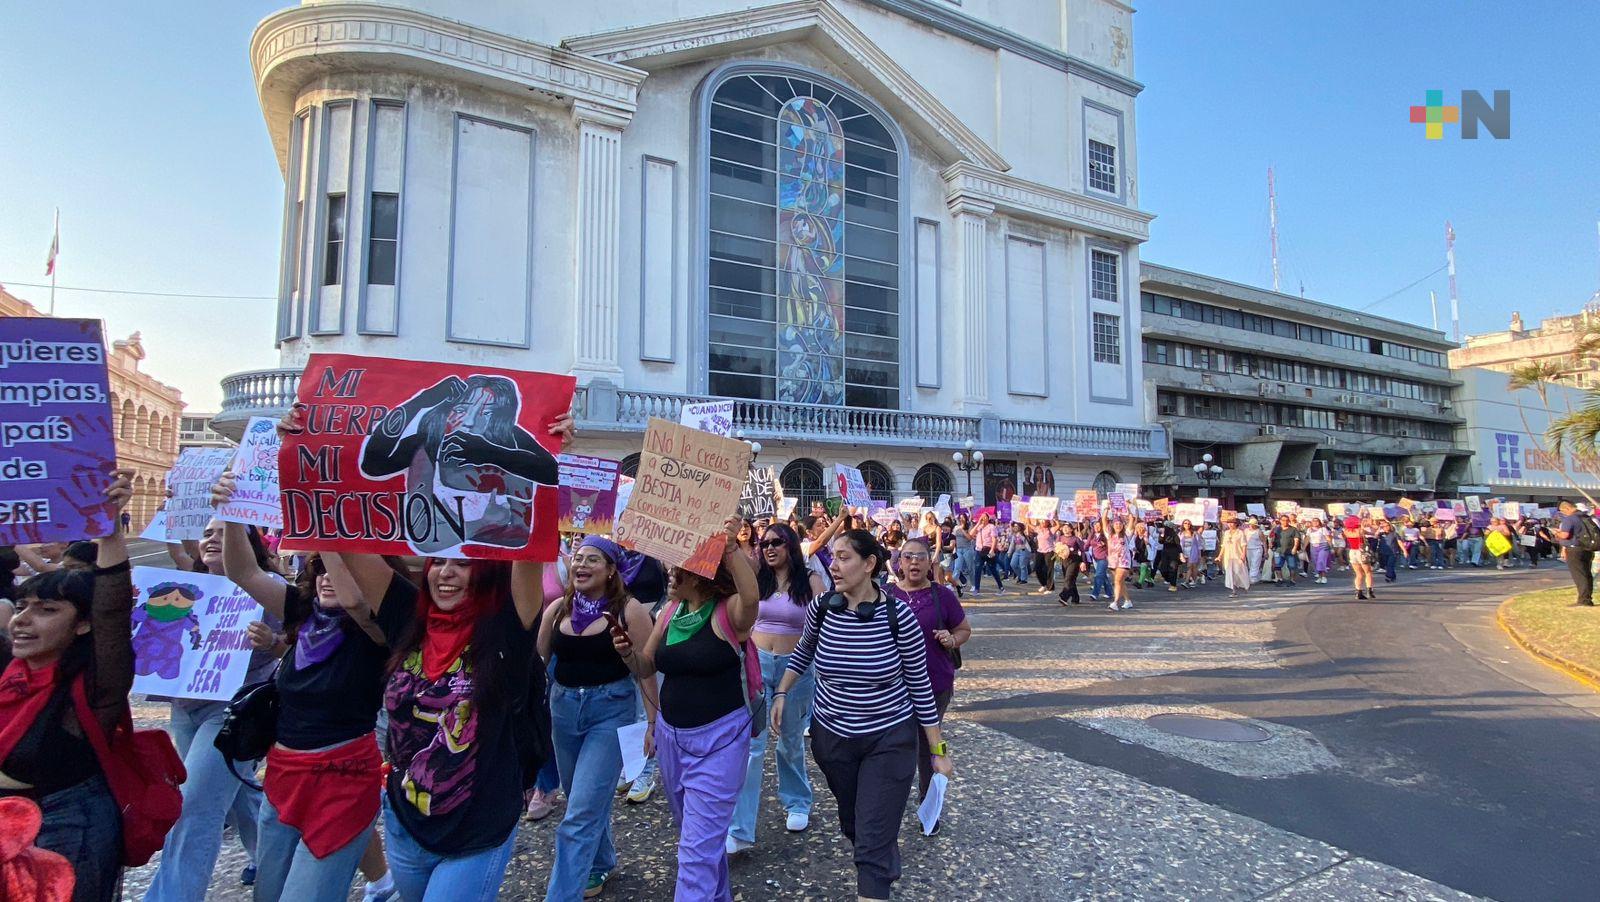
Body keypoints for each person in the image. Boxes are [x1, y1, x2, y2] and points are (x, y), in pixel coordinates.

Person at [772, 531, 951, 902]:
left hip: (889, 739)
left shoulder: (897, 616)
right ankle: (879, 847)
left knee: (870, 841)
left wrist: (939, 750)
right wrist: (781, 691)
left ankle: (875, 868)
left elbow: (920, 685)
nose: (833, 566)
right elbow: (804, 652)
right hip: (833, 739)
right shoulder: (822, 607)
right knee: (856, 823)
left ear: (870, 564)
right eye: (832, 558)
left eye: (843, 558)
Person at [0, 469, 135, 902]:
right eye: (22, 607)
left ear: (82, 625)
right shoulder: (8, 670)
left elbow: (112, 610)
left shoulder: (94, 689)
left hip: (63, 841)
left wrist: (110, 529)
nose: (23, 620)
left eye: (46, 610)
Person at [616, 519, 758, 901]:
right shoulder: (670, 612)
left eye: (679, 568)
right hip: (672, 741)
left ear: (702, 574)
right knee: (700, 842)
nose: (670, 574)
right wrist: (628, 652)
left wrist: (729, 549)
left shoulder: (728, 612)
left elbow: (752, 598)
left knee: (695, 853)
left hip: (721, 743)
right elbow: (647, 666)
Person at [144, 517, 279, 902]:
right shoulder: (184, 589)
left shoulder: (271, 589)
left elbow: (300, 639)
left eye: (225, 533)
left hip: (233, 714)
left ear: (249, 542)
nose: (212, 540)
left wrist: (273, 641)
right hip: (186, 707)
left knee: (193, 810)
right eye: (206, 534)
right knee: (233, 794)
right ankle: (267, 859)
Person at [538, 536, 658, 901]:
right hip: (563, 710)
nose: (581, 565)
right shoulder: (558, 608)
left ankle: (560, 895)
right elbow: (536, 664)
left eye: (592, 559)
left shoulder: (630, 610)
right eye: (577, 559)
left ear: (610, 571)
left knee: (578, 816)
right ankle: (602, 860)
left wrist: (653, 725)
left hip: (611, 712)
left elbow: (648, 670)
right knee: (580, 799)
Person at [728, 523, 826, 852]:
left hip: (795, 669)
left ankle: (797, 802)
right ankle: (741, 828)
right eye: (764, 543)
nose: (769, 548)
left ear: (791, 547)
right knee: (753, 744)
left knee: (789, 740)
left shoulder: (810, 581)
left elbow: (823, 626)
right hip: (757, 665)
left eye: (777, 543)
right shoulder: (759, 578)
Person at [886, 538, 969, 805]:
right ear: (899, 562)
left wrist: (952, 639)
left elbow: (964, 629)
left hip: (935, 683)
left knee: (927, 746)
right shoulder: (886, 595)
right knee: (893, 747)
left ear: (928, 562)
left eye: (920, 557)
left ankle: (928, 805)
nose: (914, 562)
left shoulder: (941, 594)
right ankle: (889, 805)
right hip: (893, 687)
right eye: (908, 556)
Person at [1554, 501, 1597, 607]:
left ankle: (1583, 600)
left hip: (1574, 549)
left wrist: (1556, 533)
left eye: (1563, 511)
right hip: (1587, 548)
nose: (1564, 514)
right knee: (1587, 574)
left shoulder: (1570, 519)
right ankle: (1587, 597)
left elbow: (1565, 535)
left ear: (1567, 509)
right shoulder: (1586, 517)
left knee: (1579, 575)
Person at [1102, 514, 1135, 611]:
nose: (1118, 526)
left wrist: (1129, 509)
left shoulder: (1126, 534)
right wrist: (1106, 509)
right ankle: (1128, 601)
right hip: (1113, 562)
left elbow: (1131, 519)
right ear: (1112, 525)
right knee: (1120, 582)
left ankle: (1115, 602)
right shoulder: (1109, 534)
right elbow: (1104, 520)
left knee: (1117, 581)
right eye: (1116, 524)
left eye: (1120, 524)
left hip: (1124, 562)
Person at [1344, 516, 1375, 600]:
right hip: (1361, 551)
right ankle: (1369, 591)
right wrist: (1366, 524)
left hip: (1352, 551)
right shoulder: (1360, 530)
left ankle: (1358, 592)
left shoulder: (1346, 531)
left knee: (1358, 574)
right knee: (1368, 572)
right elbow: (1373, 533)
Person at [1056, 525, 1086, 606]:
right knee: (1070, 580)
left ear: (1071, 529)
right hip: (1064, 560)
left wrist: (1083, 562)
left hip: (1074, 560)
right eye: (1064, 528)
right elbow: (1057, 548)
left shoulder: (1075, 539)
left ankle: (1064, 597)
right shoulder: (1060, 538)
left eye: (1067, 527)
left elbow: (1083, 550)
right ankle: (1075, 597)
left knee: (1068, 578)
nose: (1065, 529)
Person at [1219, 519, 1250, 598]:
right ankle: (1233, 590)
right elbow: (1223, 545)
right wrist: (1220, 556)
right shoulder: (1226, 533)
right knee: (1230, 572)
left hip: (1237, 554)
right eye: (1229, 523)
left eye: (1232, 523)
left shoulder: (1240, 533)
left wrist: (1243, 554)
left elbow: (1244, 545)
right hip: (1228, 556)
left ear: (1236, 524)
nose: (1230, 525)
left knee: (1239, 571)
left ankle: (1244, 585)